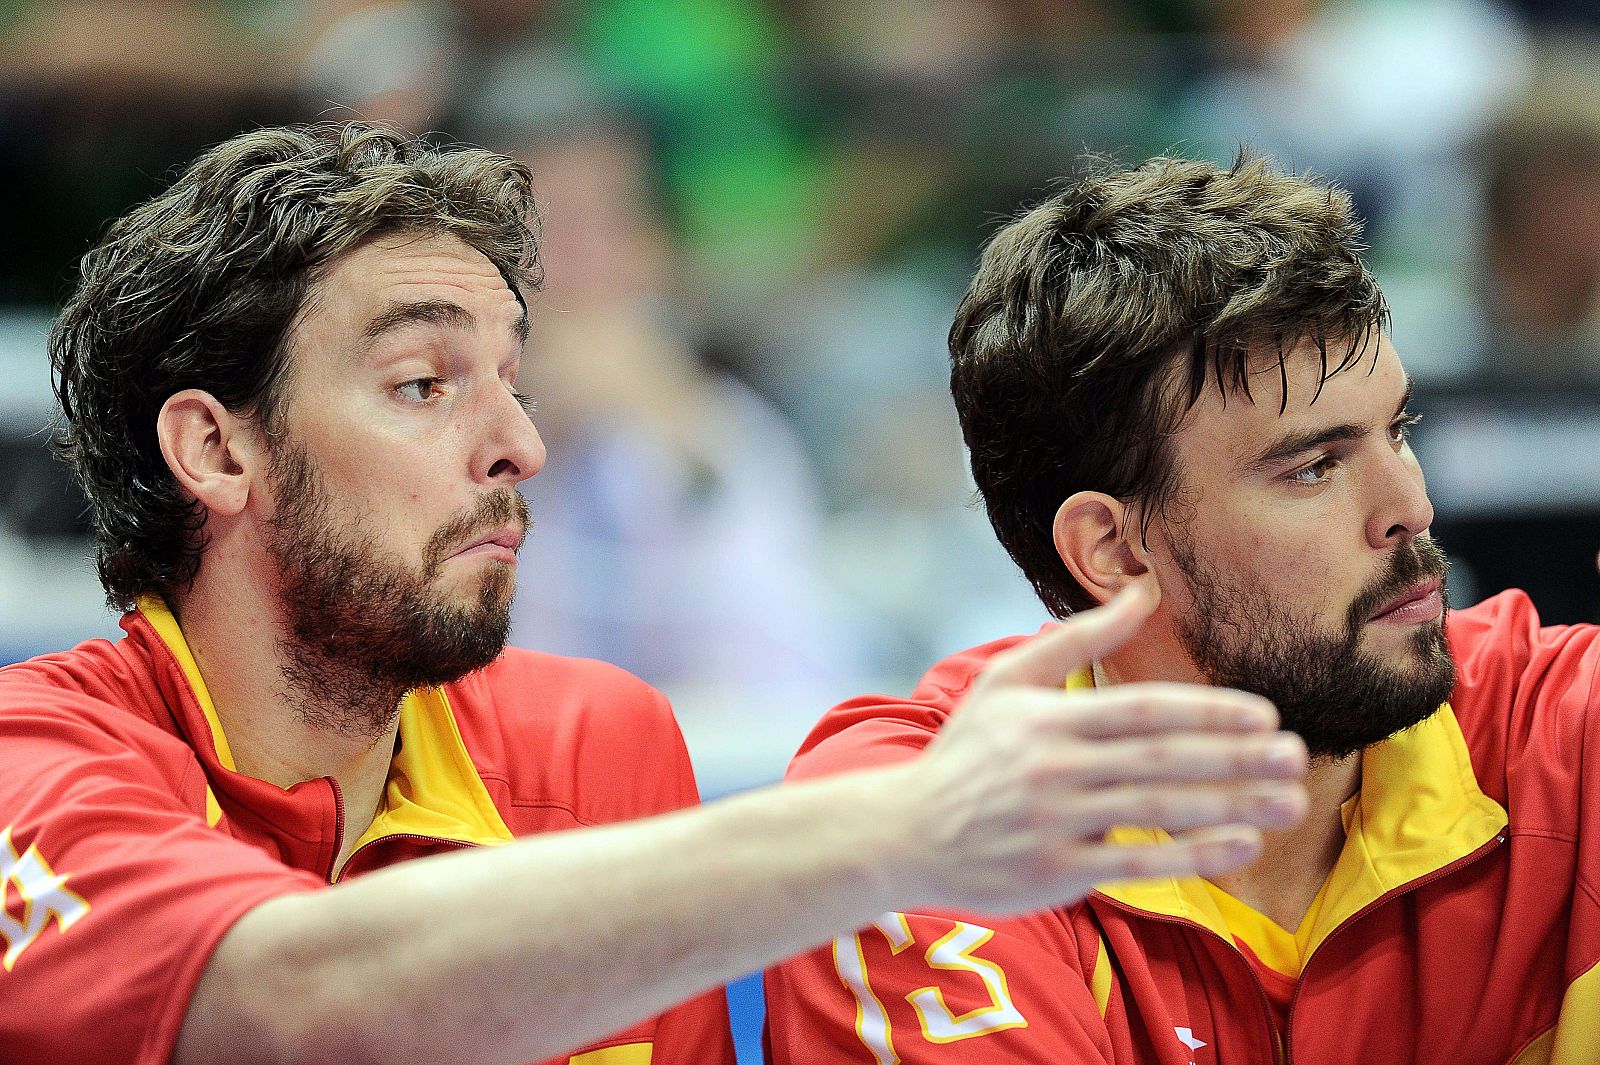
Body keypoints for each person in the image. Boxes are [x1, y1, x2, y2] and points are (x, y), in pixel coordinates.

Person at [0, 123, 1309, 1065]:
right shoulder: (35, 767)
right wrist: (904, 829)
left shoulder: (597, 741)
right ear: (216, 449)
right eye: (423, 384)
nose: (522, 443)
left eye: (516, 376)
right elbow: (286, 1004)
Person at [764, 153, 1600, 1063]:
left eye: (1398, 430)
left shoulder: (1561, 736)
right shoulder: (915, 826)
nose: (1410, 505)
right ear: (1115, 552)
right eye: (1313, 466)